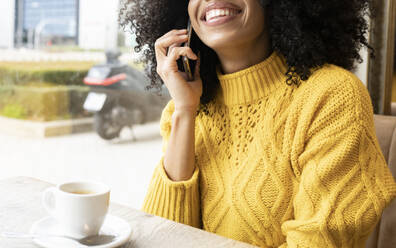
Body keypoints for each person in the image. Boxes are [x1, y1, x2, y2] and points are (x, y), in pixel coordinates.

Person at [120, 0, 396, 247]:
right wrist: (185, 108)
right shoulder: (185, 108)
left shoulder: (331, 96)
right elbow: (162, 236)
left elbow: (319, 241)